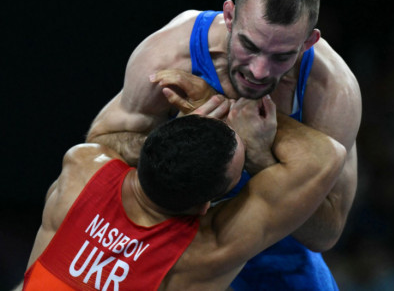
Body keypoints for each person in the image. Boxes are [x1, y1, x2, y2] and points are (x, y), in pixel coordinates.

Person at [86, 0, 362, 289]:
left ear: (308, 42)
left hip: (278, 262)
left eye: (282, 56)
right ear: (229, 16)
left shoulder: (332, 91)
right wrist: (175, 140)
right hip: (177, 251)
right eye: (250, 46)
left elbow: (328, 231)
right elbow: (97, 146)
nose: (259, 71)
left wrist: (262, 157)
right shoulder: (172, 53)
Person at [22, 94, 345, 290]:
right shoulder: (204, 251)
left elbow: (104, 138)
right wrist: (253, 143)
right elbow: (326, 156)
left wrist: (173, 135)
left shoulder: (82, 166)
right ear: (206, 206)